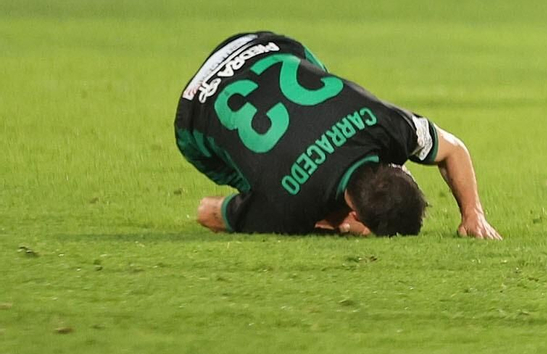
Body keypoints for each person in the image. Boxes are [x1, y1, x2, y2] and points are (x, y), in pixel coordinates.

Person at [179, 30, 500, 238]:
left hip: (264, 46)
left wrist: (473, 213)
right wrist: (326, 227)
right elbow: (206, 211)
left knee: (320, 93)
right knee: (257, 179)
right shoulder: (286, 208)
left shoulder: (387, 124)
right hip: (194, 107)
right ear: (356, 215)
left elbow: (453, 149)